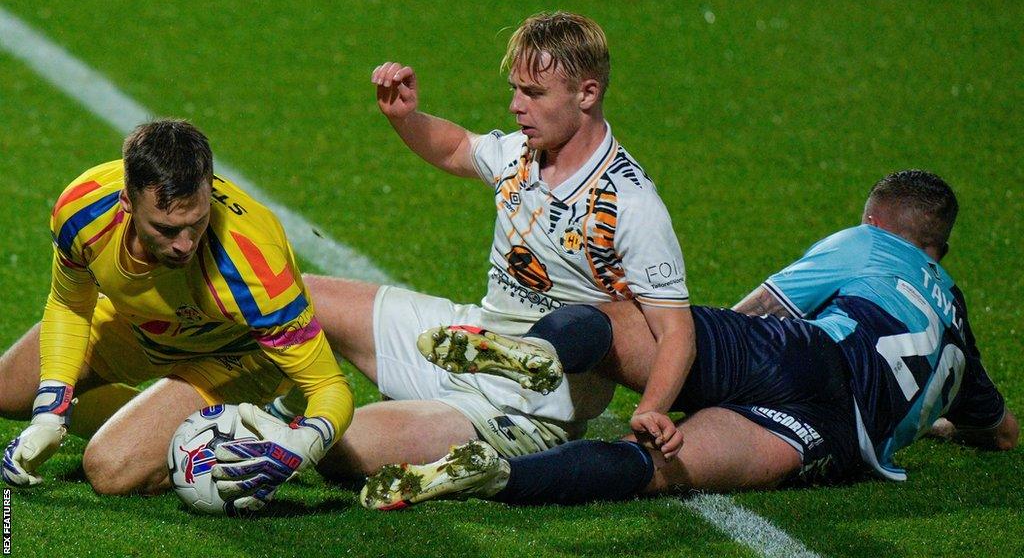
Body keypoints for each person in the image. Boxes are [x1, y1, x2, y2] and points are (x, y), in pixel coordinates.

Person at [359, 170, 1018, 509]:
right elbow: (1002, 433)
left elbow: (763, 306)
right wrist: (938, 426)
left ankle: (540, 353)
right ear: (943, 247)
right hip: (833, 442)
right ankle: (497, 477)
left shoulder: (869, 242)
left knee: (616, 313)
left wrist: (680, 376)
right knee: (655, 469)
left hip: (800, 355)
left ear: (876, 218)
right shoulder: (957, 322)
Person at [295, 11, 695, 479]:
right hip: (466, 338)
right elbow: (456, 147)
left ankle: (452, 441)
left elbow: (676, 333)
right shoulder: (522, 153)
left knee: (341, 445)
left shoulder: (630, 203)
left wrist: (652, 408)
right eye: (515, 88)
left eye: (534, 93)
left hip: (526, 408)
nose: (515, 106)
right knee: (290, 295)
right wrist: (406, 117)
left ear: (587, 93)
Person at [0, 120, 354, 511]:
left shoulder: (254, 267)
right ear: (127, 202)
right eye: (166, 229)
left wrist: (309, 439)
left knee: (109, 468)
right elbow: (71, 304)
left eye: (197, 222)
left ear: (210, 187)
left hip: (231, 354)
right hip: (139, 323)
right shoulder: (83, 208)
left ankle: (257, 417)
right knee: (6, 392)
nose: (185, 244)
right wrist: (50, 413)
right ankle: (145, 416)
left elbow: (330, 387)